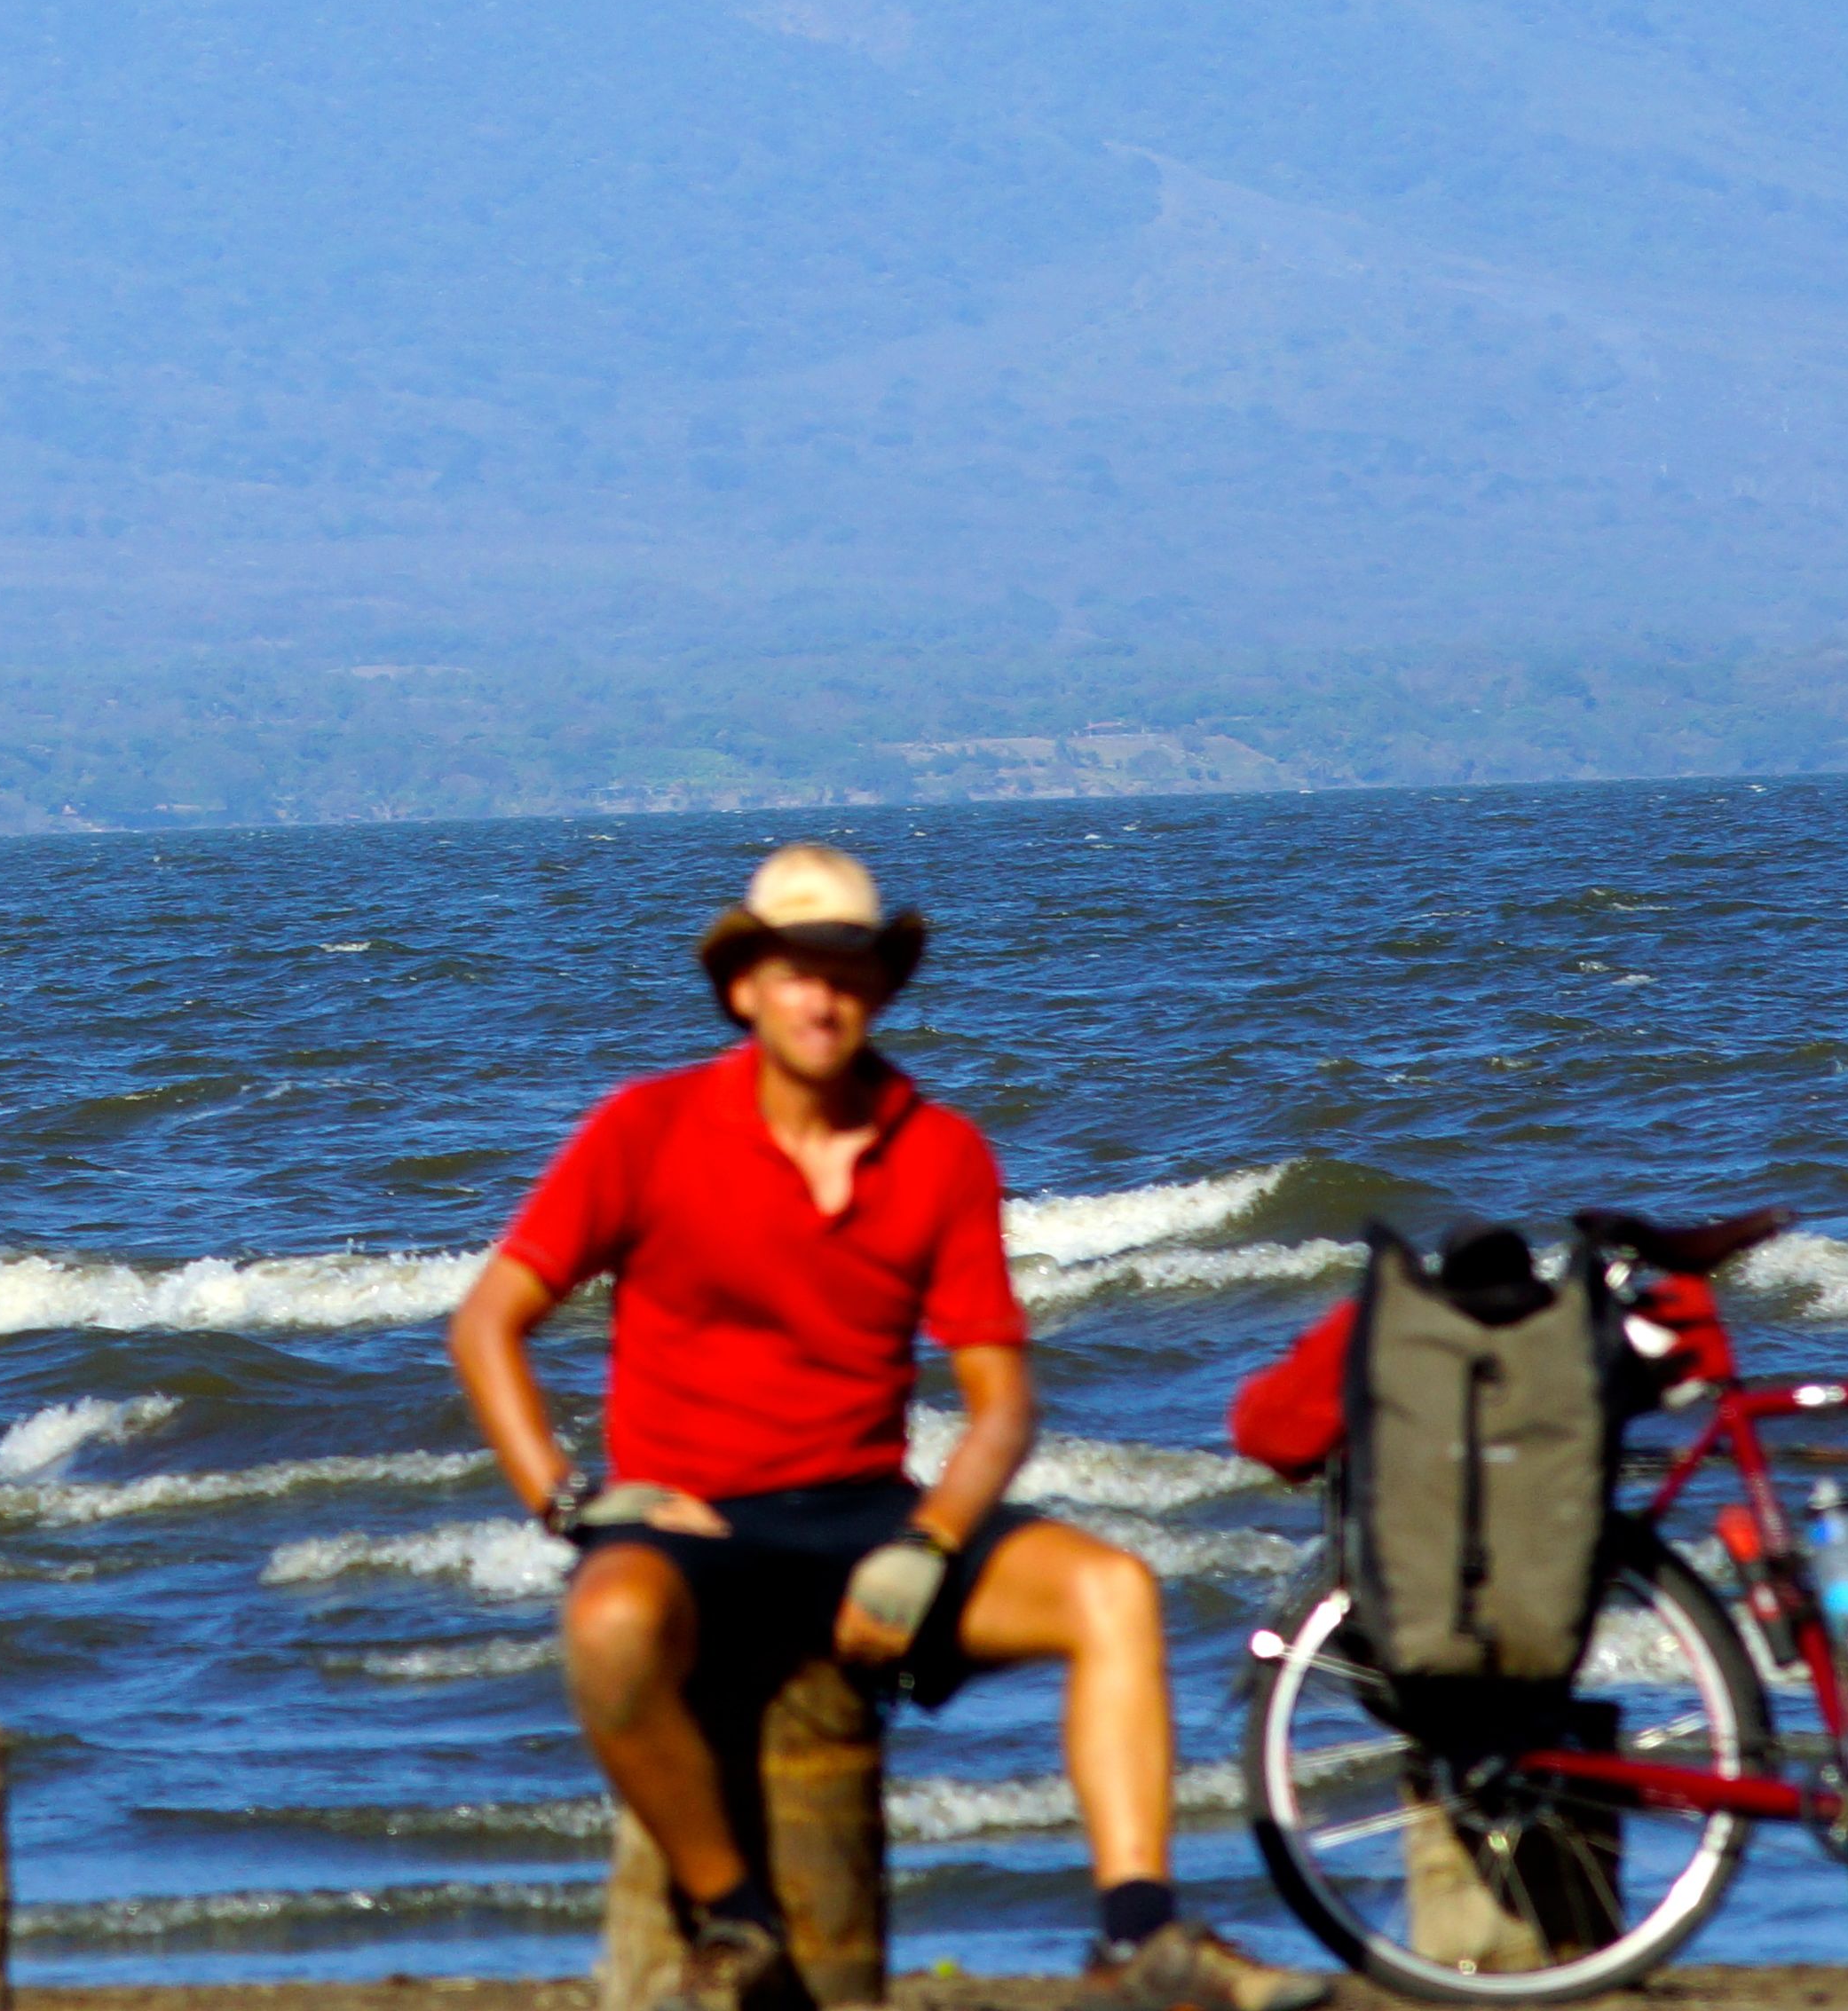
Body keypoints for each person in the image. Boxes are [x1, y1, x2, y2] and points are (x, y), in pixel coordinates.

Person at [446, 846, 1333, 2011]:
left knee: (1111, 1589)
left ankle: (1138, 1933)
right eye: (795, 970)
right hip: (693, 1526)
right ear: (744, 988)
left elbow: (1001, 1403)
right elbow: (487, 1322)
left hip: (869, 1518)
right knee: (607, 1624)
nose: (821, 997)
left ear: (881, 984)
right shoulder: (646, 1126)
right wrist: (567, 1500)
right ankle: (736, 1918)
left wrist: (929, 1542)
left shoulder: (939, 1149)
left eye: (846, 969)